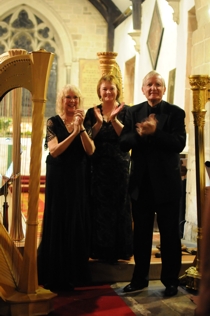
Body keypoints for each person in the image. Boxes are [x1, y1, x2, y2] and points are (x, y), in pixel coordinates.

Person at [120, 70, 186, 296]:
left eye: (157, 84)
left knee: (169, 236)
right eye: (149, 84)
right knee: (141, 236)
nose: (153, 88)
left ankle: (170, 282)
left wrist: (156, 132)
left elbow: (178, 143)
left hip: (167, 185)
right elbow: (124, 142)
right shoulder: (133, 112)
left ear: (164, 88)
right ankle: (139, 280)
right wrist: (140, 133)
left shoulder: (176, 113)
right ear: (143, 88)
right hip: (141, 185)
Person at [37, 84, 95, 291]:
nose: (71, 101)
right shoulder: (53, 122)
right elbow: (54, 151)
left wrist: (81, 130)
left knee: (75, 218)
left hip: (78, 176)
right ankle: (56, 272)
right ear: (61, 100)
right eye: (68, 97)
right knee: (59, 218)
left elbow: (90, 151)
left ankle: (74, 272)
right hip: (59, 176)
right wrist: (73, 133)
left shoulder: (85, 121)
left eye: (75, 98)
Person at [84, 74, 133, 264]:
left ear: (117, 90)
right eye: (104, 88)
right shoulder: (92, 112)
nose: (108, 92)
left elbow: (127, 140)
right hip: (98, 168)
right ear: (99, 91)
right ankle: (99, 249)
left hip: (119, 166)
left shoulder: (126, 111)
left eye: (111, 88)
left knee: (120, 206)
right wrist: (98, 123)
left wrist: (113, 120)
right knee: (99, 208)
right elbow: (89, 138)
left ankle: (121, 249)